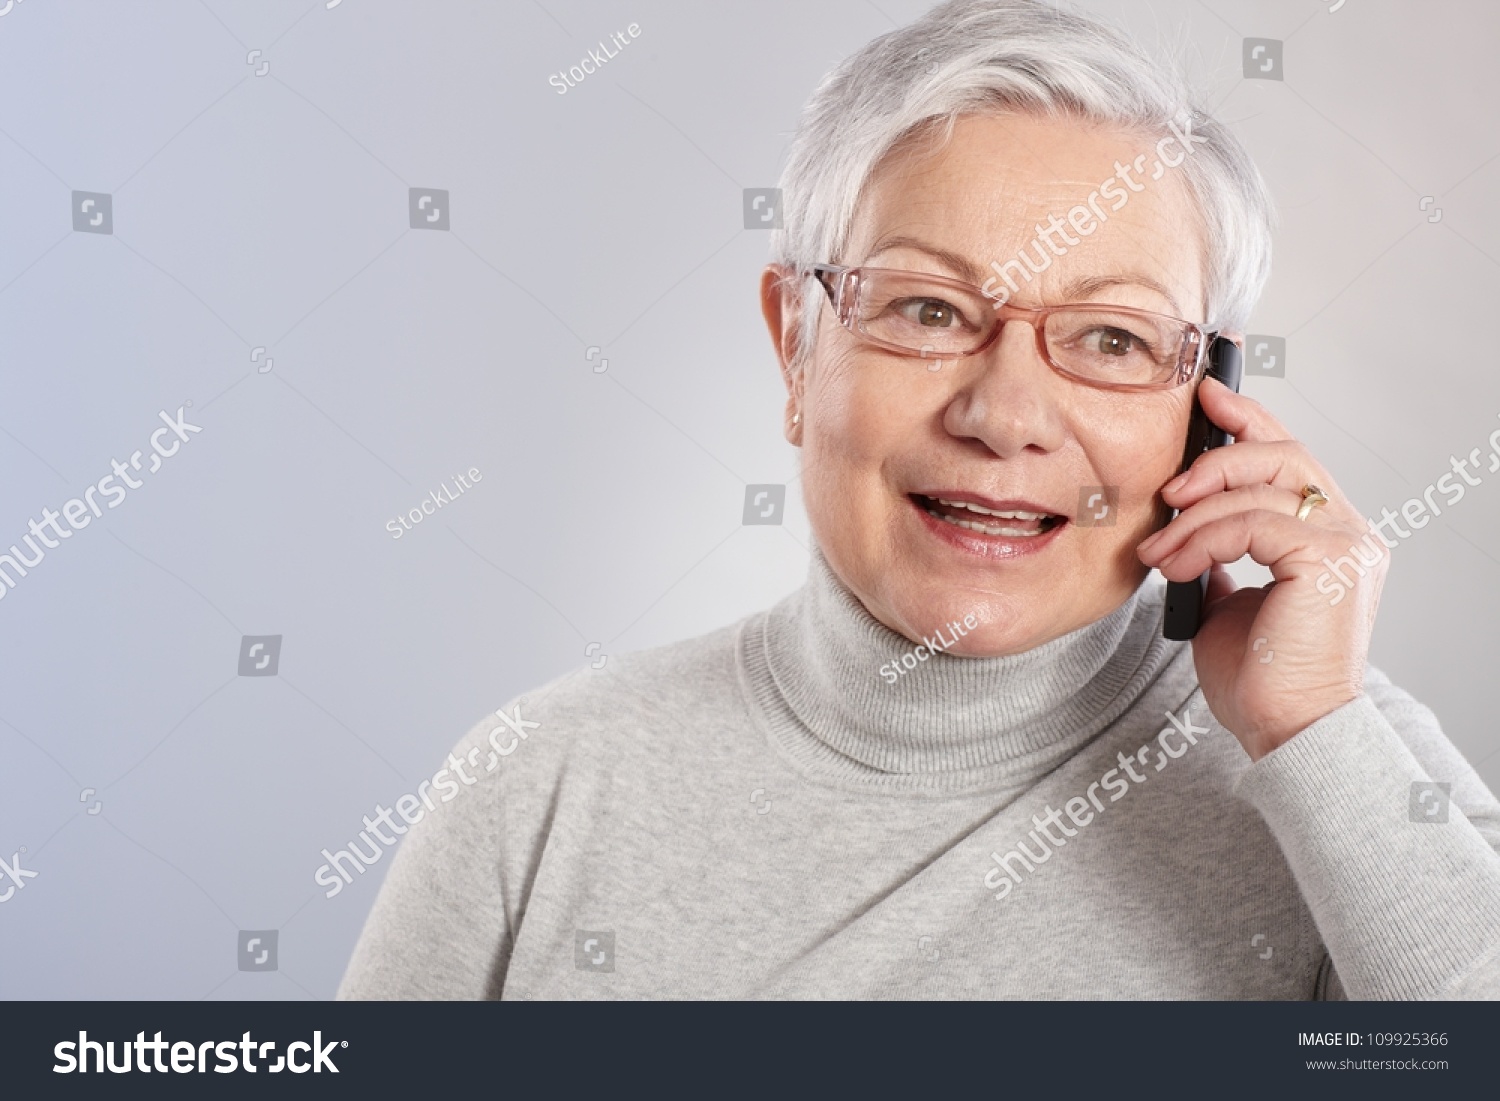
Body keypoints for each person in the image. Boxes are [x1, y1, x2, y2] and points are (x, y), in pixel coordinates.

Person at [338, 0, 1500, 999]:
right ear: (797, 349)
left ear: (1209, 403)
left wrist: (1308, 731)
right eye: (929, 310)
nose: (1005, 413)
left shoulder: (1341, 765)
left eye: (1109, 336)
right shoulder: (536, 785)